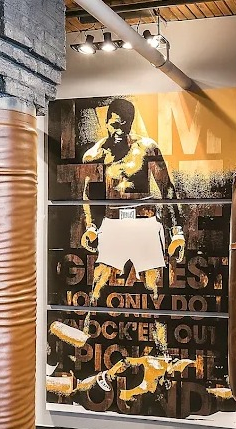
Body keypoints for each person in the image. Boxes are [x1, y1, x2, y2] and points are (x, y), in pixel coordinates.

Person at [76, 98, 186, 353]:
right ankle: (82, 343)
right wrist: (91, 227)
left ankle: (163, 352)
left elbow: (167, 188)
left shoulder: (146, 148)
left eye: (123, 126)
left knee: (154, 289)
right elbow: (89, 195)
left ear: (131, 124)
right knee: (99, 286)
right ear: (107, 122)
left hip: (145, 222)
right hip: (112, 223)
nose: (118, 131)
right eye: (114, 125)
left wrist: (177, 232)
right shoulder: (94, 154)